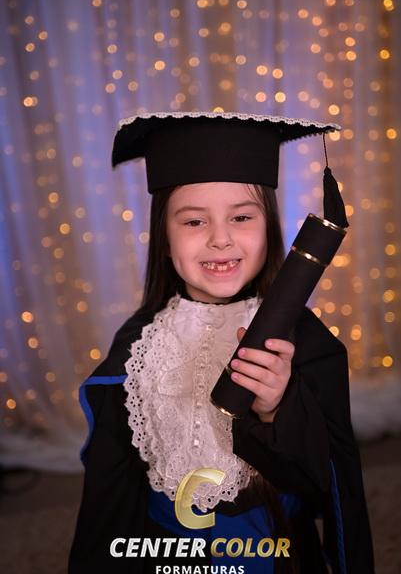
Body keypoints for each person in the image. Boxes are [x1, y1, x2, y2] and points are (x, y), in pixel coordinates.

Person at [69, 112, 374, 574]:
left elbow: (323, 486)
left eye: (242, 217)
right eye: (194, 221)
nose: (220, 239)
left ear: (269, 228)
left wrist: (276, 410)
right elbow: (110, 495)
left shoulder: (304, 340)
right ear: (164, 239)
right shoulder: (140, 346)